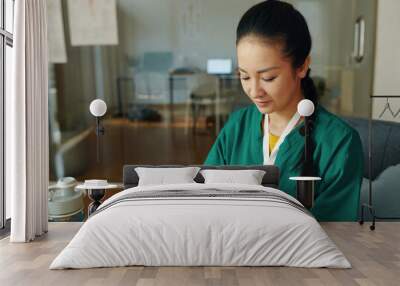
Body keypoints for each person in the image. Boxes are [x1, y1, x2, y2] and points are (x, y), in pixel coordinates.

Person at [204, 0, 364, 221]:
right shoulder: (237, 126)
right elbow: (205, 198)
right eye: (245, 76)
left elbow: (335, 230)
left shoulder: (340, 143)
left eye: (268, 77)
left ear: (302, 66)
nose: (254, 90)